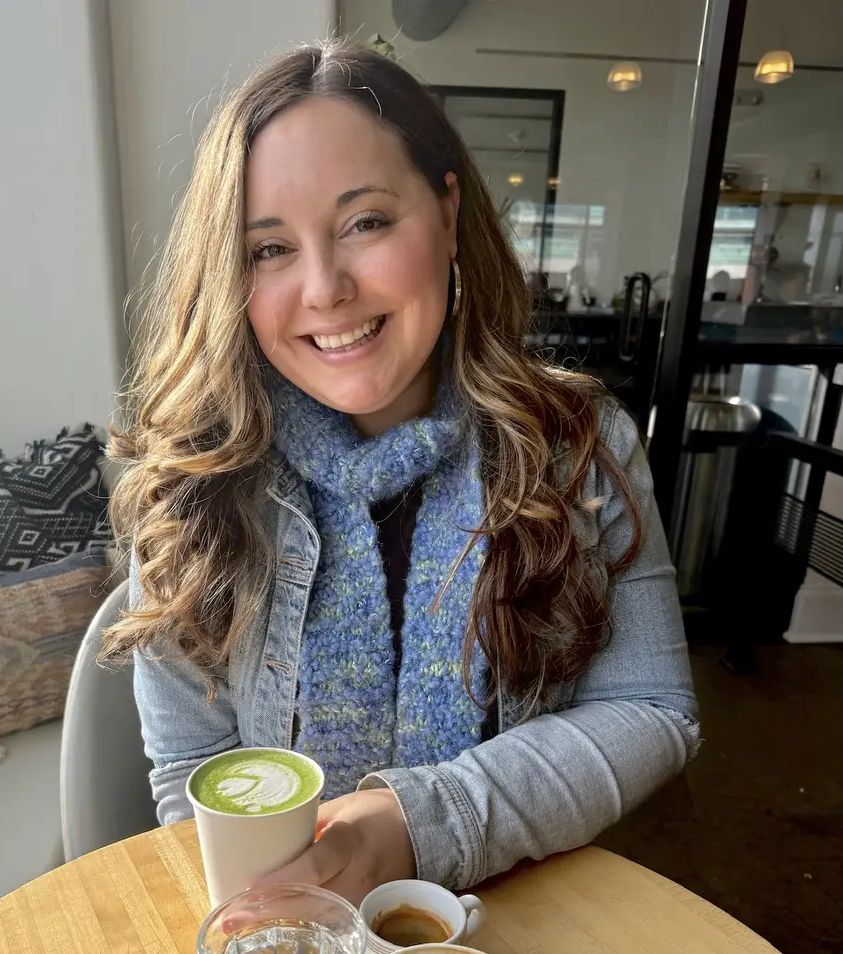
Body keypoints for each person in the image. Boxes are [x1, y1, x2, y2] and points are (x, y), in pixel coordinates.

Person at [103, 40, 699, 905]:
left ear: (447, 214)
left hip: (518, 917)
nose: (325, 288)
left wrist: (424, 823)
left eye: (366, 223)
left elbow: (652, 709)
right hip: (295, 931)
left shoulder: (577, 443)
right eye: (269, 249)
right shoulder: (195, 479)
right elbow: (193, 775)